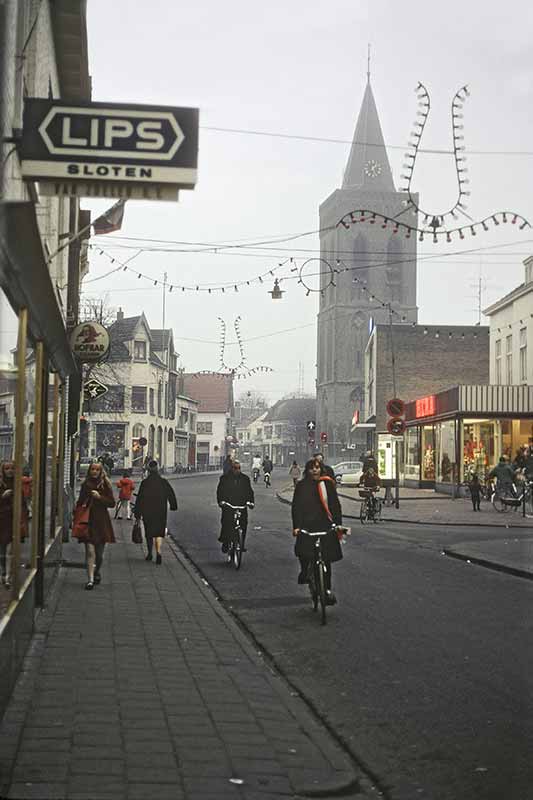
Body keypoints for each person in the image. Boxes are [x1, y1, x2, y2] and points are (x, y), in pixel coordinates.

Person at [292, 457, 343, 605]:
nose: (315, 470)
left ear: (321, 469)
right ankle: (305, 572)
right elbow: (296, 507)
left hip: (324, 525)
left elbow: (335, 505)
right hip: (307, 526)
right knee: (304, 551)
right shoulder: (302, 486)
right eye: (311, 468)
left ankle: (326, 590)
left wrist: (337, 524)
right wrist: (296, 526)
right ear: (307, 471)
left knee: (325, 560)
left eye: (317, 467)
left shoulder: (327, 484)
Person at [73, 462, 116, 590]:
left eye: (97, 469)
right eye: (92, 469)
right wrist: (75, 516)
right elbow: (80, 502)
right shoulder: (85, 485)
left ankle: (97, 572)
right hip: (88, 521)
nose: (94, 472)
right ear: (89, 471)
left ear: (101, 471)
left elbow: (112, 503)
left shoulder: (105, 485)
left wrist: (99, 497)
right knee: (90, 552)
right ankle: (90, 580)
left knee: (99, 555)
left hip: (101, 522)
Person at [134, 460, 177, 564]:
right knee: (158, 533)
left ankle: (149, 553)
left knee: (149, 533)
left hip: (147, 511)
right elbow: (171, 494)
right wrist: (173, 505)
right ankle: (158, 552)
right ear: (158, 470)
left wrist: (137, 513)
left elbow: (140, 498)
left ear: (148, 471)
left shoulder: (145, 483)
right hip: (160, 511)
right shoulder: (163, 482)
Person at [0, 461, 28, 589]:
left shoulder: (18, 485)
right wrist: (3, 496)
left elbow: (23, 504)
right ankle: (3, 571)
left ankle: (8, 577)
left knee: (10, 549)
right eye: (7, 468)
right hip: (2, 520)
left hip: (13, 520)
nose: (9, 471)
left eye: (12, 468)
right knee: (2, 549)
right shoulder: (1, 484)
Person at [216, 459, 254, 553]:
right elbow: (220, 491)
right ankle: (225, 542)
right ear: (231, 468)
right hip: (229, 505)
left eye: (239, 468)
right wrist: (221, 501)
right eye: (235, 468)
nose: (237, 470)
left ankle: (241, 544)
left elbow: (249, 492)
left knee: (243, 524)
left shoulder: (245, 479)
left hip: (241, 505)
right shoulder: (225, 478)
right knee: (226, 522)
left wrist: (250, 502)